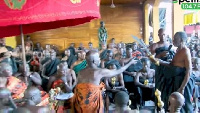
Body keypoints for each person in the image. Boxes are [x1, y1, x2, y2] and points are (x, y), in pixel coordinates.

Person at [73, 50, 137, 113]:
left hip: (81, 101)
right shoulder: (99, 71)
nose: (99, 59)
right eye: (98, 57)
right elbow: (118, 71)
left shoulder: (80, 72)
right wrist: (130, 63)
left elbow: (80, 88)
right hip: (92, 103)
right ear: (94, 61)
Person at [155, 32, 195, 112]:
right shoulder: (177, 50)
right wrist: (160, 61)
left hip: (184, 82)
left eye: (175, 39)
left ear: (182, 40)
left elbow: (189, 71)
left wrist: (182, 88)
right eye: (173, 38)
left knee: (185, 104)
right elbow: (172, 65)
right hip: (175, 81)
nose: (173, 40)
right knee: (175, 104)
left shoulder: (185, 51)